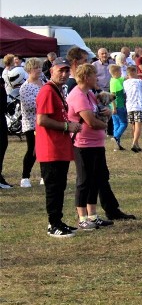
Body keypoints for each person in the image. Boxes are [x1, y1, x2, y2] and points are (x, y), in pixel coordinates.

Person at [36, 58, 85, 237]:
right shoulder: (47, 91)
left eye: (66, 71)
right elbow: (42, 119)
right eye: (60, 71)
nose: (64, 74)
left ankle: (58, 220)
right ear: (51, 71)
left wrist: (69, 123)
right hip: (50, 148)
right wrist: (66, 126)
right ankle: (53, 224)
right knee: (54, 187)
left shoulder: (57, 90)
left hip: (59, 147)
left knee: (60, 186)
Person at [66, 64, 115, 231]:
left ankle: (93, 216)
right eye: (94, 75)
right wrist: (104, 125)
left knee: (96, 179)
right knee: (84, 181)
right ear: (86, 77)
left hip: (96, 144)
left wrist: (107, 112)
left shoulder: (90, 94)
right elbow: (91, 121)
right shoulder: (78, 95)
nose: (97, 78)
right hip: (83, 145)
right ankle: (82, 218)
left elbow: (101, 110)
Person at [19, 58, 44, 187]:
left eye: (39, 67)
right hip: (31, 123)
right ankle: (25, 177)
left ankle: (43, 176)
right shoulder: (25, 87)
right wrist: (45, 103)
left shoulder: (44, 83)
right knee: (33, 150)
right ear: (29, 70)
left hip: (45, 122)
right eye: (35, 68)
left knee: (44, 150)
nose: (38, 70)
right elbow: (29, 105)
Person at [123, 65, 142, 152]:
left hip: (129, 106)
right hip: (138, 105)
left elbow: (124, 93)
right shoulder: (139, 81)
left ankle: (136, 144)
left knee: (133, 125)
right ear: (135, 72)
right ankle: (134, 142)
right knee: (138, 125)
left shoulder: (125, 82)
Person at [108, 64, 127, 151]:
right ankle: (116, 137)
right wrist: (114, 108)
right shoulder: (115, 83)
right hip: (118, 106)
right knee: (124, 123)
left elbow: (124, 78)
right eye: (120, 71)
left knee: (116, 124)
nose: (121, 73)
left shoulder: (114, 79)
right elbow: (112, 97)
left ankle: (117, 146)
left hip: (115, 107)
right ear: (115, 72)